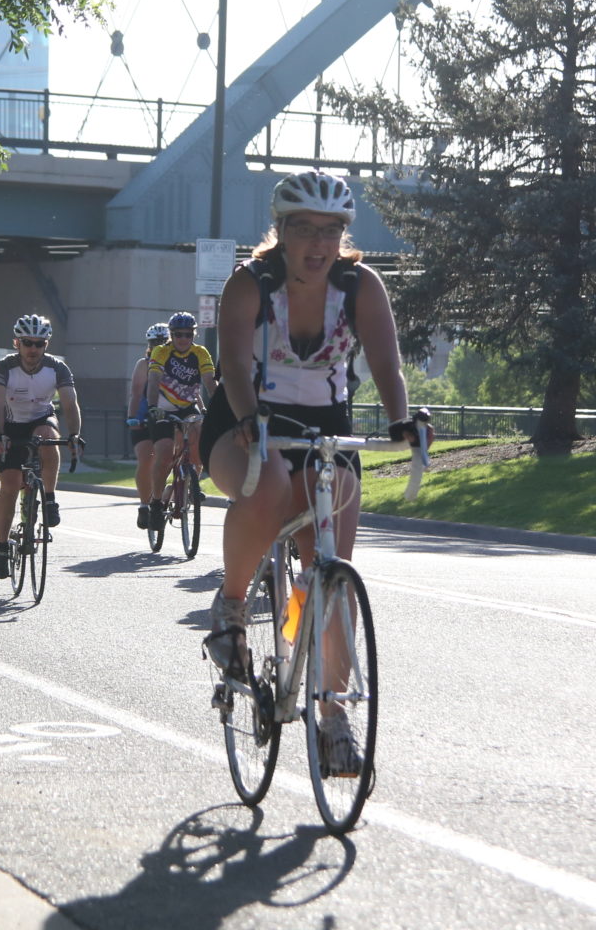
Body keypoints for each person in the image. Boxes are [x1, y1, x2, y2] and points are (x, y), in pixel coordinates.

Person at [199, 169, 426, 777]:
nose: (319, 244)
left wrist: (403, 421)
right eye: (304, 229)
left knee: (332, 575)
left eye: (332, 230)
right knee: (268, 478)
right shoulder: (250, 284)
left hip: (323, 429)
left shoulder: (360, 286)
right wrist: (250, 422)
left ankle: (333, 717)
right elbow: (234, 370)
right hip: (246, 420)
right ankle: (231, 609)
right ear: (283, 230)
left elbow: (385, 363)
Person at [0, 313, 83, 579]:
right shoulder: (4, 367)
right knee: (9, 485)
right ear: (16, 343)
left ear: (46, 345)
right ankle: (2, 547)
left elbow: (69, 403)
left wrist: (74, 434)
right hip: (10, 425)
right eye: (27, 342)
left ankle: (49, 499)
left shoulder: (57, 368)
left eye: (39, 343)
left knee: (47, 436)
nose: (33, 348)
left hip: (41, 418)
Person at [140, 310, 216, 530]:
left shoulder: (200, 353)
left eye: (188, 334)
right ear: (171, 335)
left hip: (187, 407)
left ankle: (192, 484)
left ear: (194, 335)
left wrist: (220, 406)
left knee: (199, 443)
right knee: (164, 454)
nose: (183, 339)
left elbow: (210, 383)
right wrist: (153, 407)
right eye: (178, 334)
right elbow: (153, 379)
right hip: (162, 409)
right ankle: (155, 503)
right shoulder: (162, 351)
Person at [128, 322, 170, 527]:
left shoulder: (180, 364)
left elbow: (193, 392)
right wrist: (132, 417)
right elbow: (136, 394)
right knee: (146, 458)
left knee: (180, 454)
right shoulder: (143, 364)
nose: (159, 346)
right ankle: (145, 505)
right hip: (144, 418)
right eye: (155, 342)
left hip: (170, 417)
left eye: (164, 342)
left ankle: (179, 489)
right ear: (149, 344)